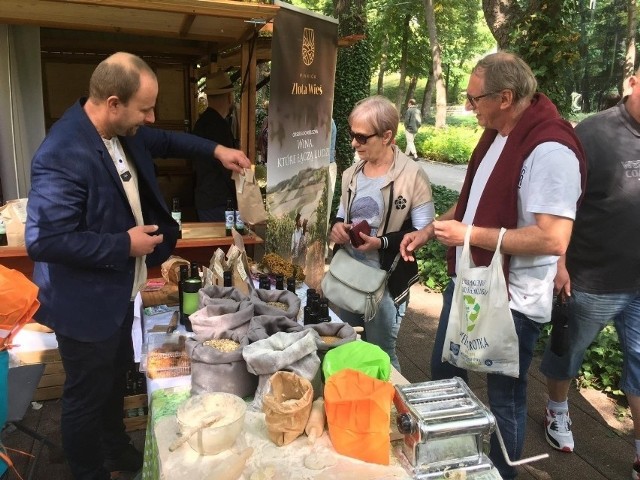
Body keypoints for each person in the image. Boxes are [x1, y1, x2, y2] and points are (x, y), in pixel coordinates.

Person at [25, 51, 250, 480]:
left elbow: (169, 141)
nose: (150, 119)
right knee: (85, 399)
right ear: (113, 103)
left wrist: (218, 149)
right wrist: (121, 244)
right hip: (83, 305)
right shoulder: (62, 153)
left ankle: (117, 451)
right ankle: (90, 472)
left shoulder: (120, 131)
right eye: (144, 109)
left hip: (115, 295)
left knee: (114, 382)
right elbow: (44, 240)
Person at [399, 52, 586, 479]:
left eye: (473, 98)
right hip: (471, 281)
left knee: (506, 399)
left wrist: (470, 237)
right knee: (445, 374)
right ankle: (453, 461)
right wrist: (430, 231)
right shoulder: (499, 134)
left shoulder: (551, 148)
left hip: (514, 299)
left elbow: (553, 239)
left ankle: (502, 473)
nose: (469, 107)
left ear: (505, 97)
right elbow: (472, 206)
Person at [539, 70, 640, 477]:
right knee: (569, 351)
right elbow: (564, 203)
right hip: (591, 278)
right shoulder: (594, 133)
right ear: (634, 81)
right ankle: (556, 409)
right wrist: (560, 263)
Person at [329, 95, 434, 371]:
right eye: (353, 134)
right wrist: (338, 227)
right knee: (349, 346)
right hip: (349, 277)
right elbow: (342, 213)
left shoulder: (412, 176)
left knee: (381, 356)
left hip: (386, 283)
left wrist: (382, 242)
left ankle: (390, 410)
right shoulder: (351, 174)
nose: (354, 142)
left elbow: (424, 232)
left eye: (362, 137)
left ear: (387, 136)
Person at [192, 71, 238, 221]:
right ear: (229, 97)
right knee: (226, 244)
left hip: (204, 198)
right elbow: (227, 169)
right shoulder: (219, 126)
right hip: (220, 201)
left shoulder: (201, 123)